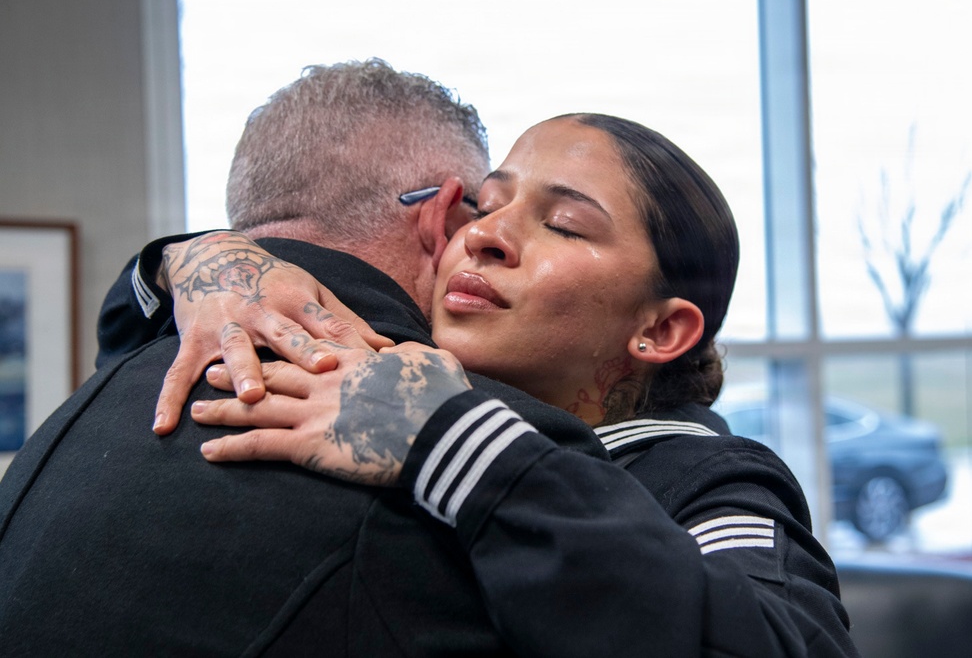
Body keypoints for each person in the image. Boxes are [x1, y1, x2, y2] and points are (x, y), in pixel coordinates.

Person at [103, 113, 858, 655]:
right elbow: (125, 352)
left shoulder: (710, 478)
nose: (483, 235)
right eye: (488, 205)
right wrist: (190, 262)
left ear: (660, 331)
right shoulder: (377, 382)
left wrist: (454, 439)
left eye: (563, 224)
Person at [0, 59, 639, 656]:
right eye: (485, 210)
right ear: (442, 220)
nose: (487, 240)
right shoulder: (505, 440)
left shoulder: (100, 395)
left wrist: (183, 254)